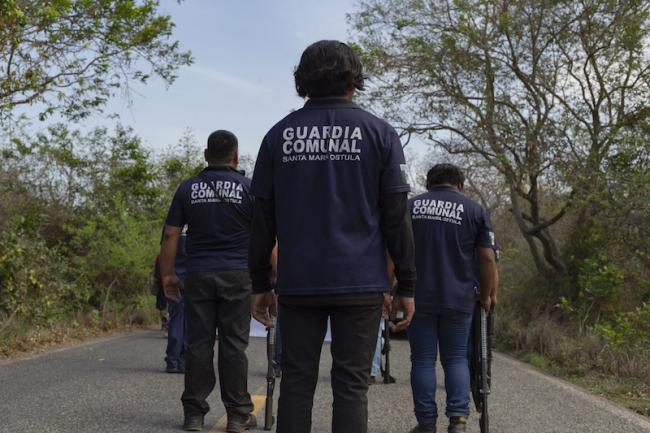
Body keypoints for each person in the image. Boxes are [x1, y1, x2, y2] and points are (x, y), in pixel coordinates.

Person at [248, 40, 417, 433]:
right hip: (359, 282)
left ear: (302, 81)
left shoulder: (278, 136)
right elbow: (396, 217)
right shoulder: (380, 133)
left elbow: (262, 219)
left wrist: (259, 282)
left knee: (297, 383)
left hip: (299, 282)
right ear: (354, 80)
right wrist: (406, 283)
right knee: (351, 386)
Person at [160, 131, 256, 432]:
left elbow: (171, 234)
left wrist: (168, 274)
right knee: (234, 346)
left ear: (205, 155)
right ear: (236, 156)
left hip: (198, 275)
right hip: (238, 275)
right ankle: (239, 415)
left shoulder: (188, 189)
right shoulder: (248, 188)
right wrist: (271, 277)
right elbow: (268, 237)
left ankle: (194, 415)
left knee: (198, 345)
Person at [406, 164, 499, 433]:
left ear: (429, 183)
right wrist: (487, 294)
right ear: (459, 184)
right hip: (459, 298)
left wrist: (391, 289)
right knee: (456, 358)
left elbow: (394, 250)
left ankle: (426, 423)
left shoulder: (412, 207)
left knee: (422, 359)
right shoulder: (474, 211)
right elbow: (487, 257)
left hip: (418, 295)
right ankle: (458, 421)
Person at [165, 225, 188, 374]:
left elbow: (165, 250)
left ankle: (173, 360)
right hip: (196, 276)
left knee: (176, 319)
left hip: (175, 276)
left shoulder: (173, 226)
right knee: (192, 321)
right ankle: (184, 360)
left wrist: (166, 275)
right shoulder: (202, 219)